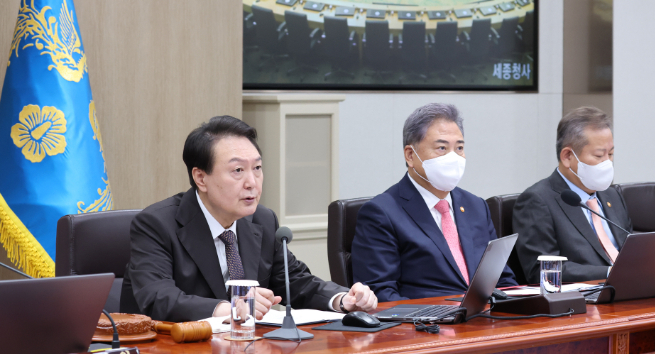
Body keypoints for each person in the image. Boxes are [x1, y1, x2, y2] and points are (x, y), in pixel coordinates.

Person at [121, 116, 377, 322]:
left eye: (257, 168)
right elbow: (159, 298)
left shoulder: (262, 220)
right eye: (238, 171)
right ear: (201, 178)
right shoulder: (156, 224)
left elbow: (295, 281)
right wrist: (231, 309)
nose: (252, 183)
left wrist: (343, 299)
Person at [351, 104, 517, 302]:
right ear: (410, 155)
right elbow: (381, 294)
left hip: (484, 321)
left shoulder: (476, 206)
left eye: (459, 148)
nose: (453, 157)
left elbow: (502, 279)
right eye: (442, 148)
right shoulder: (381, 213)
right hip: (426, 326)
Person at [512, 107, 633, 284]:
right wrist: (611, 272)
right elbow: (541, 271)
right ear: (568, 156)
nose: (607, 162)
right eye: (599, 155)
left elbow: (631, 250)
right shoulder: (537, 201)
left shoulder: (612, 195)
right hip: (585, 303)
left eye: (611, 154)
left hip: (631, 292)